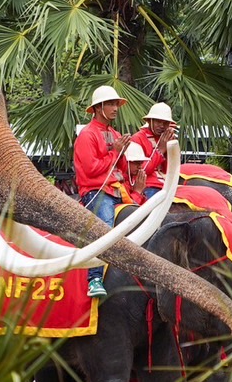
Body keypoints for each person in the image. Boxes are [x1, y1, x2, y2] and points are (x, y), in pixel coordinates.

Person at [72, 84, 131, 297]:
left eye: (116, 104)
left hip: (118, 191)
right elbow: (90, 170)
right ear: (98, 108)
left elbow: (122, 169)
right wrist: (115, 152)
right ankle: (94, 278)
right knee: (103, 227)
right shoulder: (87, 135)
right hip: (96, 192)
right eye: (111, 104)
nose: (116, 108)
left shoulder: (114, 133)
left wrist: (122, 153)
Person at [128, 102, 175, 199]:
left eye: (165, 123)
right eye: (158, 122)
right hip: (148, 186)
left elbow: (171, 169)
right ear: (150, 121)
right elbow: (141, 170)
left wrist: (172, 149)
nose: (162, 126)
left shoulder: (167, 138)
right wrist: (161, 150)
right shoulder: (137, 138)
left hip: (167, 185)